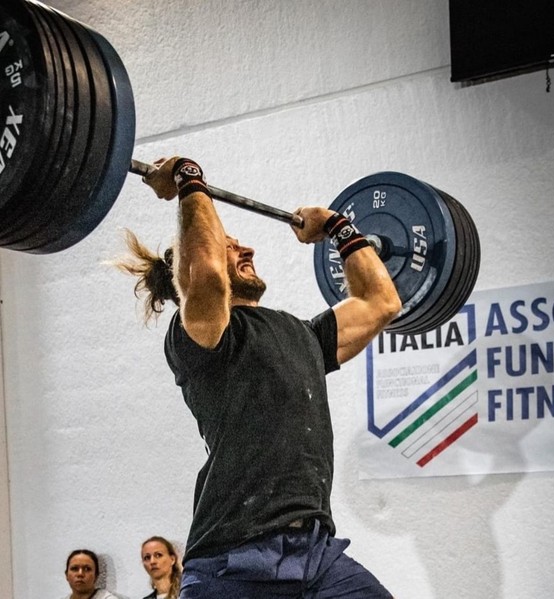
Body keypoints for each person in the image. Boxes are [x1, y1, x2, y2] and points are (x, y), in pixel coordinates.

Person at [118, 156, 401, 598]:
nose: (247, 250)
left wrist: (338, 227)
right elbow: (207, 275)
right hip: (234, 560)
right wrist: (187, 178)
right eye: (231, 246)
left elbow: (380, 302)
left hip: (316, 554)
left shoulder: (303, 335)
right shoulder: (202, 339)